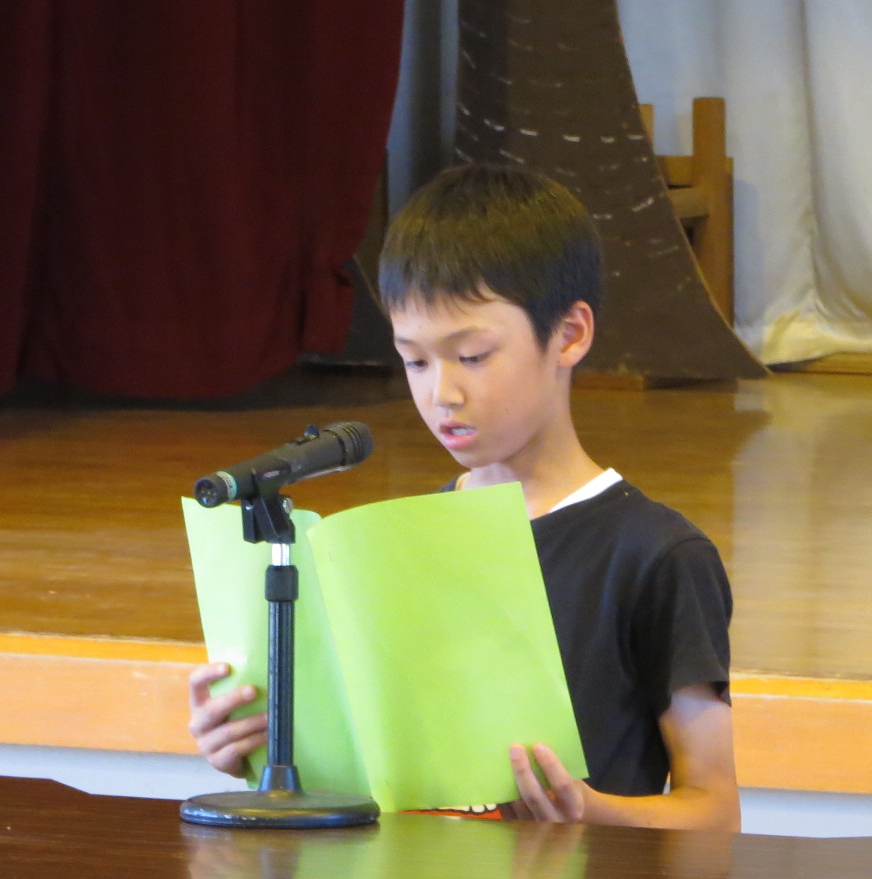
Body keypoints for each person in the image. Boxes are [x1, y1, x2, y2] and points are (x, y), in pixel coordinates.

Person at [187, 163, 740, 831]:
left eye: (473, 356)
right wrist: (263, 750)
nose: (441, 394)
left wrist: (592, 813)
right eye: (415, 361)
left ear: (570, 334)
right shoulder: (403, 544)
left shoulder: (655, 555)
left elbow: (715, 812)